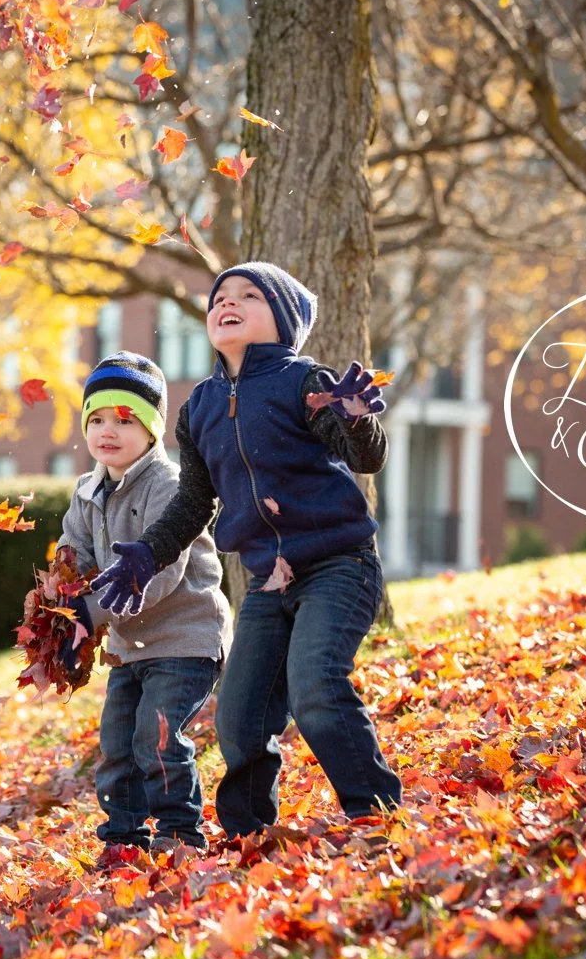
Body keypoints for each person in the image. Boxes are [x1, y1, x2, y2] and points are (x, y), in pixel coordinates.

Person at [90, 263, 402, 838]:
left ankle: (374, 815)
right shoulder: (201, 407)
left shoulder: (306, 382)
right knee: (238, 719)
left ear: (281, 321)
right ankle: (249, 833)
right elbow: (192, 504)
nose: (227, 304)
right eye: (219, 299)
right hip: (267, 582)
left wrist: (357, 421)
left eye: (249, 296)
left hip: (338, 565)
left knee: (316, 689)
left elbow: (365, 458)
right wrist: (145, 556)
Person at [54, 351, 233, 858]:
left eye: (124, 419)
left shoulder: (170, 485)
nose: (108, 430)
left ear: (153, 428)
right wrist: (66, 606)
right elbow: (77, 552)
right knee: (116, 746)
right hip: (130, 645)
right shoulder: (87, 490)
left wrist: (95, 612)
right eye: (97, 419)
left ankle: (179, 831)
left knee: (156, 736)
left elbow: (162, 574)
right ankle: (123, 836)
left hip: (185, 635)